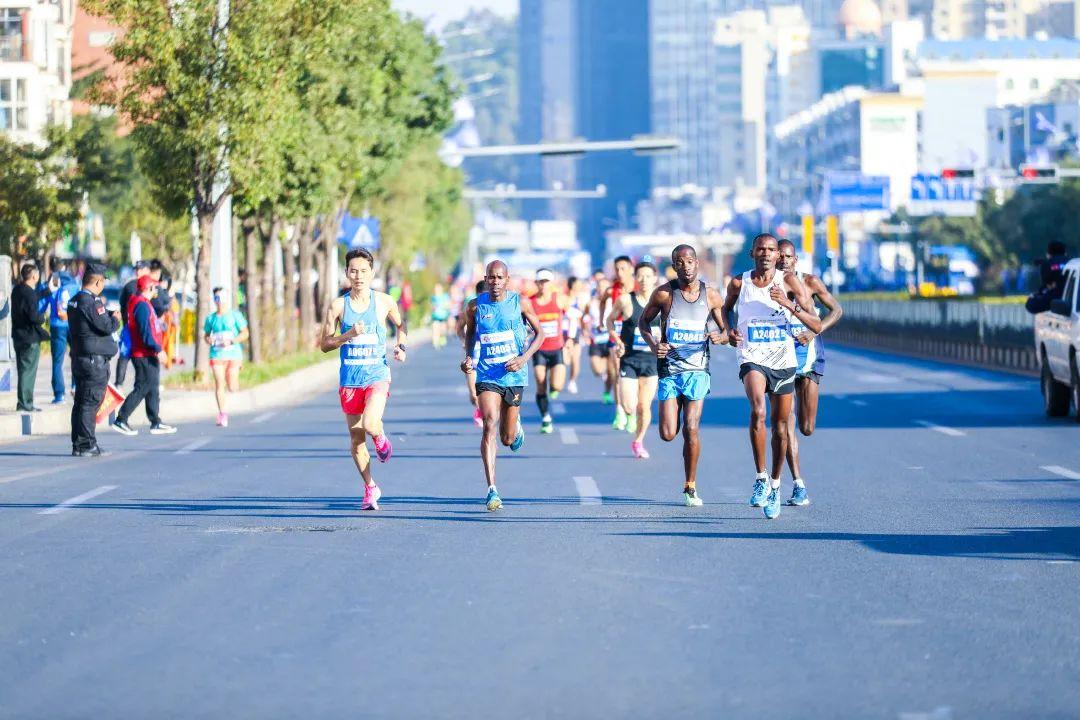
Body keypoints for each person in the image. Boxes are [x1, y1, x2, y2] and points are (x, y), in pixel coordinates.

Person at [723, 234, 822, 520]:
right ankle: (761, 477)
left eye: (771, 250)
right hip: (752, 356)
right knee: (758, 410)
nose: (765, 254)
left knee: (781, 427)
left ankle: (776, 485)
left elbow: (815, 323)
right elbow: (725, 309)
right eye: (761, 249)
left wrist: (789, 305)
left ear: (778, 255)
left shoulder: (789, 282)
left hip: (783, 359)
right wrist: (729, 330)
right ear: (752, 253)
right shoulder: (739, 283)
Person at [319, 248, 408, 512]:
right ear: (347, 273)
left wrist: (401, 346)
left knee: (370, 423)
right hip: (350, 380)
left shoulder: (383, 301)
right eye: (354, 271)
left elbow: (401, 325)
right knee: (357, 441)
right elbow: (324, 344)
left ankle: (380, 438)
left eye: (363, 271)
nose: (358, 276)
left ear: (372, 272)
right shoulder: (338, 306)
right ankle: (370, 487)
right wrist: (347, 335)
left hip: (376, 374)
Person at [639, 246, 727, 506]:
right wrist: (655, 345)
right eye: (680, 262)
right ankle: (673, 414)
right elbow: (643, 323)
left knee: (691, 428)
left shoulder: (711, 295)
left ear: (697, 263)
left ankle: (690, 485)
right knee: (668, 433)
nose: (686, 266)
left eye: (689, 261)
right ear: (674, 266)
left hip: (697, 370)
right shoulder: (664, 294)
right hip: (670, 370)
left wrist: (720, 337)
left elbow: (727, 331)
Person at [461, 260, 545, 511]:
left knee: (507, 439)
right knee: (489, 423)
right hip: (487, 374)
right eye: (491, 277)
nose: (495, 282)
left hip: (514, 376)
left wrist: (523, 359)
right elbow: (470, 333)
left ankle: (515, 427)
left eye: (499, 278)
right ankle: (492, 489)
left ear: (507, 280)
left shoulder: (521, 303)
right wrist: (469, 357)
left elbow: (540, 334)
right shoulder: (475, 306)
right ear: (485, 279)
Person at [777, 240, 843, 506]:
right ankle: (798, 484)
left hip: (810, 358)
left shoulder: (810, 282)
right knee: (786, 423)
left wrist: (815, 331)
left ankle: (797, 483)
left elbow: (837, 310)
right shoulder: (766, 286)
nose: (783, 261)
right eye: (780, 256)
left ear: (795, 260)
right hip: (780, 359)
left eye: (788, 257)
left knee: (806, 427)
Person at [112, 275, 178, 436]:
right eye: (154, 288)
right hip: (143, 353)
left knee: (153, 387)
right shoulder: (141, 305)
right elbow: (145, 332)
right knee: (142, 387)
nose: (156, 290)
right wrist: (158, 349)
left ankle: (155, 421)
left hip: (148, 352)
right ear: (148, 288)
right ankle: (121, 419)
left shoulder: (143, 302)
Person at [608, 261, 661, 459]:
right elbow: (609, 320)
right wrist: (617, 340)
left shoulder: (662, 301)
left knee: (644, 406)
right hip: (629, 359)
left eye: (648, 276)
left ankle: (638, 441)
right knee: (630, 406)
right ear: (635, 278)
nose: (644, 280)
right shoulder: (625, 300)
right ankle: (629, 416)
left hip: (651, 361)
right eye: (640, 276)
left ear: (655, 278)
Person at [67, 263, 120, 457]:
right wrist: (115, 318)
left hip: (81, 359)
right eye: (103, 281)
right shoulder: (92, 302)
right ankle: (86, 444)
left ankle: (79, 443)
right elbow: (106, 326)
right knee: (90, 402)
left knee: (81, 402)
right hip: (93, 362)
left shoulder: (74, 301)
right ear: (98, 282)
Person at [528, 268, 568, 434]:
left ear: (552, 283)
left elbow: (572, 316)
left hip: (556, 348)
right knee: (540, 381)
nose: (543, 285)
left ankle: (553, 389)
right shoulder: (530, 302)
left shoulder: (559, 299)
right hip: (539, 349)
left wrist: (571, 339)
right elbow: (522, 322)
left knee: (557, 385)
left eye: (546, 282)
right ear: (536, 283)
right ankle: (545, 417)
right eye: (541, 282)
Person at [203, 287, 250, 427]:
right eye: (216, 298)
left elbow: (245, 333)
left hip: (233, 354)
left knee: (232, 386)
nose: (219, 301)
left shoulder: (235, 315)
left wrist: (232, 341)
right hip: (217, 354)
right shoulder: (211, 318)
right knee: (219, 382)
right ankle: (222, 413)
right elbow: (206, 335)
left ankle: (234, 386)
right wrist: (209, 339)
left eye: (222, 297)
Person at [602, 256, 636, 430]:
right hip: (616, 336)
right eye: (617, 269)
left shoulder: (639, 288)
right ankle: (620, 411)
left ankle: (632, 411)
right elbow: (602, 302)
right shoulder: (611, 290)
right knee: (618, 373)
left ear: (631, 269)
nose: (620, 272)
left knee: (634, 376)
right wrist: (602, 320)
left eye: (623, 268)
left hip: (636, 337)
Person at [11, 263, 49, 412]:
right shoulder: (30, 293)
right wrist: (43, 318)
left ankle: (23, 402)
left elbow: (30, 300)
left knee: (22, 370)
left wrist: (46, 292)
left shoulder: (17, 290)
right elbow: (33, 316)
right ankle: (25, 403)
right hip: (30, 338)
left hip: (18, 336)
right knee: (28, 372)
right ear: (34, 276)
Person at [46, 259, 78, 404]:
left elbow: (42, 304)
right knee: (77, 356)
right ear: (65, 267)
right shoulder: (74, 283)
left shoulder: (51, 282)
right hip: (73, 324)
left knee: (57, 361)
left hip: (57, 325)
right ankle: (75, 386)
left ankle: (59, 395)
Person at [456, 280, 487, 428]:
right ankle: (480, 410)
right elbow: (459, 328)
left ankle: (486, 415)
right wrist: (464, 340)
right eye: (481, 295)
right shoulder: (472, 309)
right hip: (474, 355)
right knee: (474, 395)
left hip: (490, 357)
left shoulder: (496, 309)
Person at [116, 261, 151, 386]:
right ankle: (119, 384)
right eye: (136, 269)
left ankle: (142, 383)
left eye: (140, 269)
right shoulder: (130, 286)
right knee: (125, 355)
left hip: (145, 327)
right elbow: (122, 305)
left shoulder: (151, 285)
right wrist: (126, 322)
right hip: (131, 328)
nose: (138, 271)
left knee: (142, 357)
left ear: (147, 270)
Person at [585, 277, 613, 403]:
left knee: (611, 371)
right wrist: (585, 331)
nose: (602, 290)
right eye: (600, 287)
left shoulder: (614, 301)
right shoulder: (591, 303)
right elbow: (584, 317)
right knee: (597, 370)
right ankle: (604, 373)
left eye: (605, 287)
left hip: (610, 340)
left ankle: (607, 392)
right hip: (596, 340)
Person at [1025, 240, 1071, 314]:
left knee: (1031, 303)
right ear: (1065, 253)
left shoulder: (1047, 264)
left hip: (1057, 296)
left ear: (1049, 254)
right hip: (1069, 297)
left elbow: (1046, 284)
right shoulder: (1072, 262)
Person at [562, 276, 587, 395]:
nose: (580, 287)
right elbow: (565, 311)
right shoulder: (564, 299)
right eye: (578, 284)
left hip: (576, 332)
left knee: (576, 360)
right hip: (564, 332)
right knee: (565, 360)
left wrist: (585, 331)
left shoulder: (580, 299)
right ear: (572, 286)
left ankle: (572, 381)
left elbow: (582, 317)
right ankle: (557, 381)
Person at [430, 283, 452, 349]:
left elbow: (449, 305)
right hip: (435, 316)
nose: (437, 290)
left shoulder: (445, 296)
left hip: (443, 316)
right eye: (436, 289)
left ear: (441, 289)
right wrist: (434, 307)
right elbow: (432, 306)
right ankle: (435, 343)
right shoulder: (433, 297)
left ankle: (442, 337)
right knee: (435, 329)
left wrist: (445, 306)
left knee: (443, 329)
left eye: (438, 288)